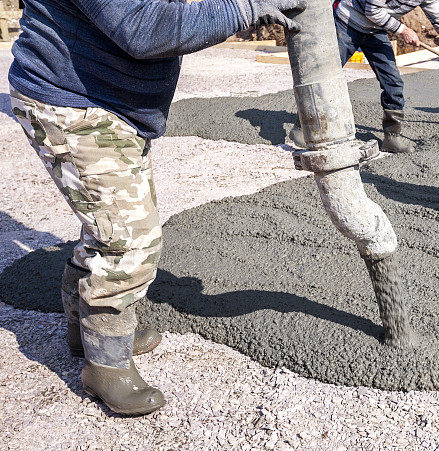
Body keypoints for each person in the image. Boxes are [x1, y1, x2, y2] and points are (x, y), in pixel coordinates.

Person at [8, 0, 305, 415]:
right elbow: (145, 30)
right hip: (73, 102)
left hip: (106, 102)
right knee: (129, 242)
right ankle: (106, 366)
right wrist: (244, 7)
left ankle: (84, 334)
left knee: (106, 224)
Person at [290, 0, 439, 153]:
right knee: (326, 75)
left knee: (393, 82)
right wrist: (403, 30)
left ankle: (392, 137)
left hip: (375, 30)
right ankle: (303, 127)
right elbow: (372, 11)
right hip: (347, 23)